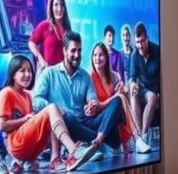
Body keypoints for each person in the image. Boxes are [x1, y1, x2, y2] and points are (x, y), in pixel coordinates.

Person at [32, 31, 127, 162]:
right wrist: (54, 109)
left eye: (79, 50)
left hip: (86, 124)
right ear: (64, 51)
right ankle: (102, 141)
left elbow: (92, 100)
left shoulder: (85, 76)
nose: (77, 55)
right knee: (69, 118)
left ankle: (97, 141)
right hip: (66, 126)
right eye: (73, 51)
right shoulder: (49, 73)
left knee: (117, 101)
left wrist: (92, 106)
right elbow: (36, 101)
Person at [0, 55, 94, 173]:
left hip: (32, 150)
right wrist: (24, 119)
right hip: (16, 144)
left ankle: (56, 158)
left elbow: (35, 123)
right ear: (13, 74)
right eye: (23, 71)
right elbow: (2, 126)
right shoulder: (7, 92)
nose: (28, 74)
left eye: (29, 71)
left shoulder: (27, 96)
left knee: (54, 111)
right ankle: (74, 151)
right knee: (51, 108)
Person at [88, 43, 138, 156]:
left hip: (114, 121)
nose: (97, 58)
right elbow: (97, 108)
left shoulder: (113, 75)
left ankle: (131, 140)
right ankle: (135, 138)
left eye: (101, 55)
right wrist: (115, 97)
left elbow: (123, 88)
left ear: (106, 57)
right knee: (118, 99)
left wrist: (124, 88)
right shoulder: (89, 78)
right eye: (95, 55)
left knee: (121, 99)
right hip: (100, 121)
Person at [127, 22, 160, 153]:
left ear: (147, 38)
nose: (140, 46)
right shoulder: (135, 55)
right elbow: (132, 78)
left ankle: (144, 136)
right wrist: (133, 85)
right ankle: (140, 138)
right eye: (137, 42)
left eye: (142, 41)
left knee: (152, 97)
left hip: (155, 90)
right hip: (143, 89)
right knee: (132, 93)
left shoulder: (158, 50)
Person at [28, 0, 71, 72]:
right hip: (47, 73)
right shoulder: (45, 25)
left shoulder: (68, 28)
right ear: (51, 7)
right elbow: (31, 43)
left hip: (63, 75)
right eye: (56, 5)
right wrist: (40, 58)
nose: (59, 9)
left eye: (62, 5)